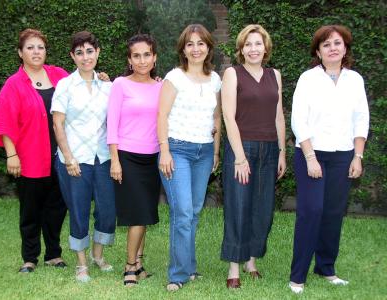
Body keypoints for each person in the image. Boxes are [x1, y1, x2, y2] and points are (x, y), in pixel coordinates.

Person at [289, 25, 369, 294]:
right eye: (326, 44)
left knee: (333, 213)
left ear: (345, 48)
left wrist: (357, 156)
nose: (333, 48)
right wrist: (311, 158)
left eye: (337, 43)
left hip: (344, 156)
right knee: (311, 211)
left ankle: (326, 268)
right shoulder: (308, 79)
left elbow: (361, 119)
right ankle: (297, 276)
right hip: (311, 154)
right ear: (318, 51)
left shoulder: (355, 80)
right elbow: (298, 120)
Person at [0, 29, 68, 273]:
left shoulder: (59, 76)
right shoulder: (14, 84)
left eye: (40, 47)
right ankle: (30, 258)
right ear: (20, 53)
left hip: (61, 157)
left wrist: (102, 79)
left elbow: (84, 87)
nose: (36, 52)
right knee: (31, 211)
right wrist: (11, 154)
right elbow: (4, 120)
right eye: (30, 47)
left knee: (57, 208)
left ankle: (53, 254)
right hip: (30, 157)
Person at [220, 24, 286, 289]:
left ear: (265, 47)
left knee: (262, 208)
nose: (253, 49)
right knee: (238, 206)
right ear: (241, 49)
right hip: (242, 148)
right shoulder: (232, 74)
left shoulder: (275, 75)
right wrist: (239, 156)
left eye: (258, 43)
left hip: (270, 149)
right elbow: (228, 116)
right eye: (248, 44)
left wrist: (281, 151)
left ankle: (251, 261)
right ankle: (234, 266)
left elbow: (279, 115)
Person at [157, 24, 222, 291]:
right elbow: (161, 115)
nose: (196, 49)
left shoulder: (216, 79)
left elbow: (217, 117)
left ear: (208, 47)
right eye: (190, 44)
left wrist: (216, 151)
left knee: (194, 212)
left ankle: (190, 266)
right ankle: (178, 275)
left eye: (201, 43)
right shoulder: (174, 77)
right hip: (177, 150)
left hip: (204, 152)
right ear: (183, 49)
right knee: (182, 212)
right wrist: (164, 151)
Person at [52, 31, 116, 283]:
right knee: (78, 211)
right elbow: (58, 124)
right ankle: (81, 264)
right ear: (72, 56)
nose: (85, 57)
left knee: (107, 210)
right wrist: (68, 157)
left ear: (98, 53)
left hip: (102, 157)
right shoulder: (65, 85)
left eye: (90, 51)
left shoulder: (108, 86)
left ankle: (97, 255)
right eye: (79, 52)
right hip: (74, 159)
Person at [107, 34, 161, 287]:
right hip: (127, 157)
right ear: (129, 59)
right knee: (138, 215)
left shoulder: (162, 86)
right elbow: (112, 125)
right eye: (136, 55)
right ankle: (129, 266)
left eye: (146, 54)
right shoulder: (120, 84)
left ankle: (139, 263)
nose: (142, 60)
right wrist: (115, 160)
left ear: (154, 57)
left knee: (147, 213)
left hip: (153, 158)